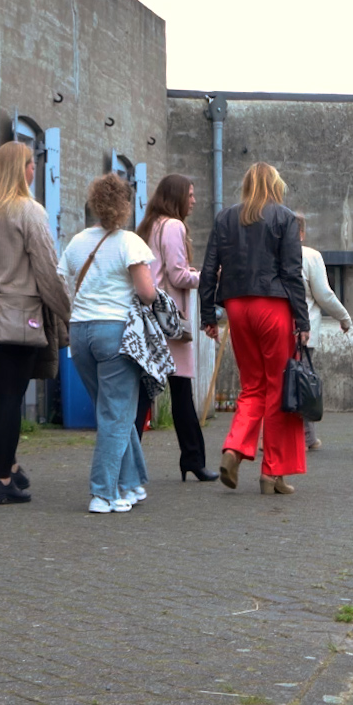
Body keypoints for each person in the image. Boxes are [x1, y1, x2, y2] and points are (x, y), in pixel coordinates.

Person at [0, 141, 72, 505]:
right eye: (30, 164)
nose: (34, 170)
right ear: (20, 169)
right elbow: (48, 271)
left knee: (0, 391)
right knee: (9, 394)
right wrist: (70, 313)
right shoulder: (28, 211)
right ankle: (2, 481)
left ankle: (10, 467)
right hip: (15, 311)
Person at [198, 162, 312, 494]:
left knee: (252, 387)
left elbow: (208, 270)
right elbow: (292, 273)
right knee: (277, 388)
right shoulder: (285, 217)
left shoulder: (225, 217)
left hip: (236, 306)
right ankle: (272, 472)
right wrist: (302, 321)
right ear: (275, 185)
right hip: (273, 305)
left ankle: (234, 448)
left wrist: (208, 315)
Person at [60, 173, 158, 513]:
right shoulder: (129, 242)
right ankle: (103, 493)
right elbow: (147, 293)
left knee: (112, 410)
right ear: (125, 206)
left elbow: (64, 280)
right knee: (116, 414)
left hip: (80, 333)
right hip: (116, 332)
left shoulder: (77, 242)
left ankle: (129, 483)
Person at [135, 173, 214, 481]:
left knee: (144, 390)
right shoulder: (174, 226)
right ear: (178, 197)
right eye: (190, 195)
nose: (194, 200)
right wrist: (208, 276)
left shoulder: (150, 226)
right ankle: (193, 459)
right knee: (181, 391)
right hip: (170, 321)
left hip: (150, 317)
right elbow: (178, 276)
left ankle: (131, 458)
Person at [299, 241, 353, 451]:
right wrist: (344, 317)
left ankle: (309, 436)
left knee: (286, 380)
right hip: (305, 330)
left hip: (275, 327)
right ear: (301, 232)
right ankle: (302, 438)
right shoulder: (311, 256)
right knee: (302, 383)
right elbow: (324, 294)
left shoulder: (271, 251)